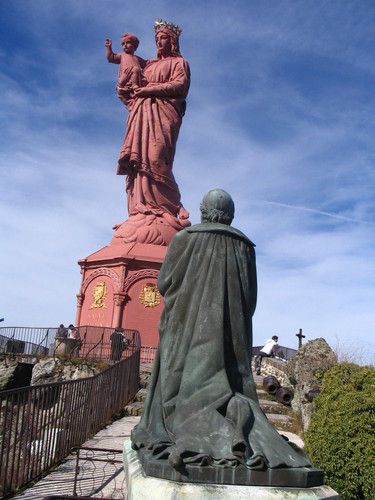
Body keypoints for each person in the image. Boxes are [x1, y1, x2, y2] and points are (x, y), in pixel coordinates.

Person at [131, 189, 310, 473]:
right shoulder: (244, 246)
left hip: (185, 331)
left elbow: (165, 283)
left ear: (203, 211)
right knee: (232, 388)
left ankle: (189, 438)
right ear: (231, 214)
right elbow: (249, 298)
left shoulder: (184, 239)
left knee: (179, 385)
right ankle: (233, 433)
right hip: (231, 336)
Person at [113, 20, 190, 244]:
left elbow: (180, 86)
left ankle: (171, 206)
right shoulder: (148, 65)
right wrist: (126, 87)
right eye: (157, 38)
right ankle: (142, 210)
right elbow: (131, 79)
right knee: (139, 164)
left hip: (163, 115)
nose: (159, 41)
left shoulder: (179, 63)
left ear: (172, 41)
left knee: (157, 158)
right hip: (141, 115)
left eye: (164, 37)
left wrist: (148, 90)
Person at [105, 33, 146, 108]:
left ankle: (134, 86)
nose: (125, 45)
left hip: (136, 79)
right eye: (123, 44)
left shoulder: (137, 58)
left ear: (134, 46)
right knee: (135, 69)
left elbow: (147, 63)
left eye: (128, 43)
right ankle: (133, 86)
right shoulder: (122, 55)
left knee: (136, 69)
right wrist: (108, 47)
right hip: (125, 79)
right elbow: (111, 57)